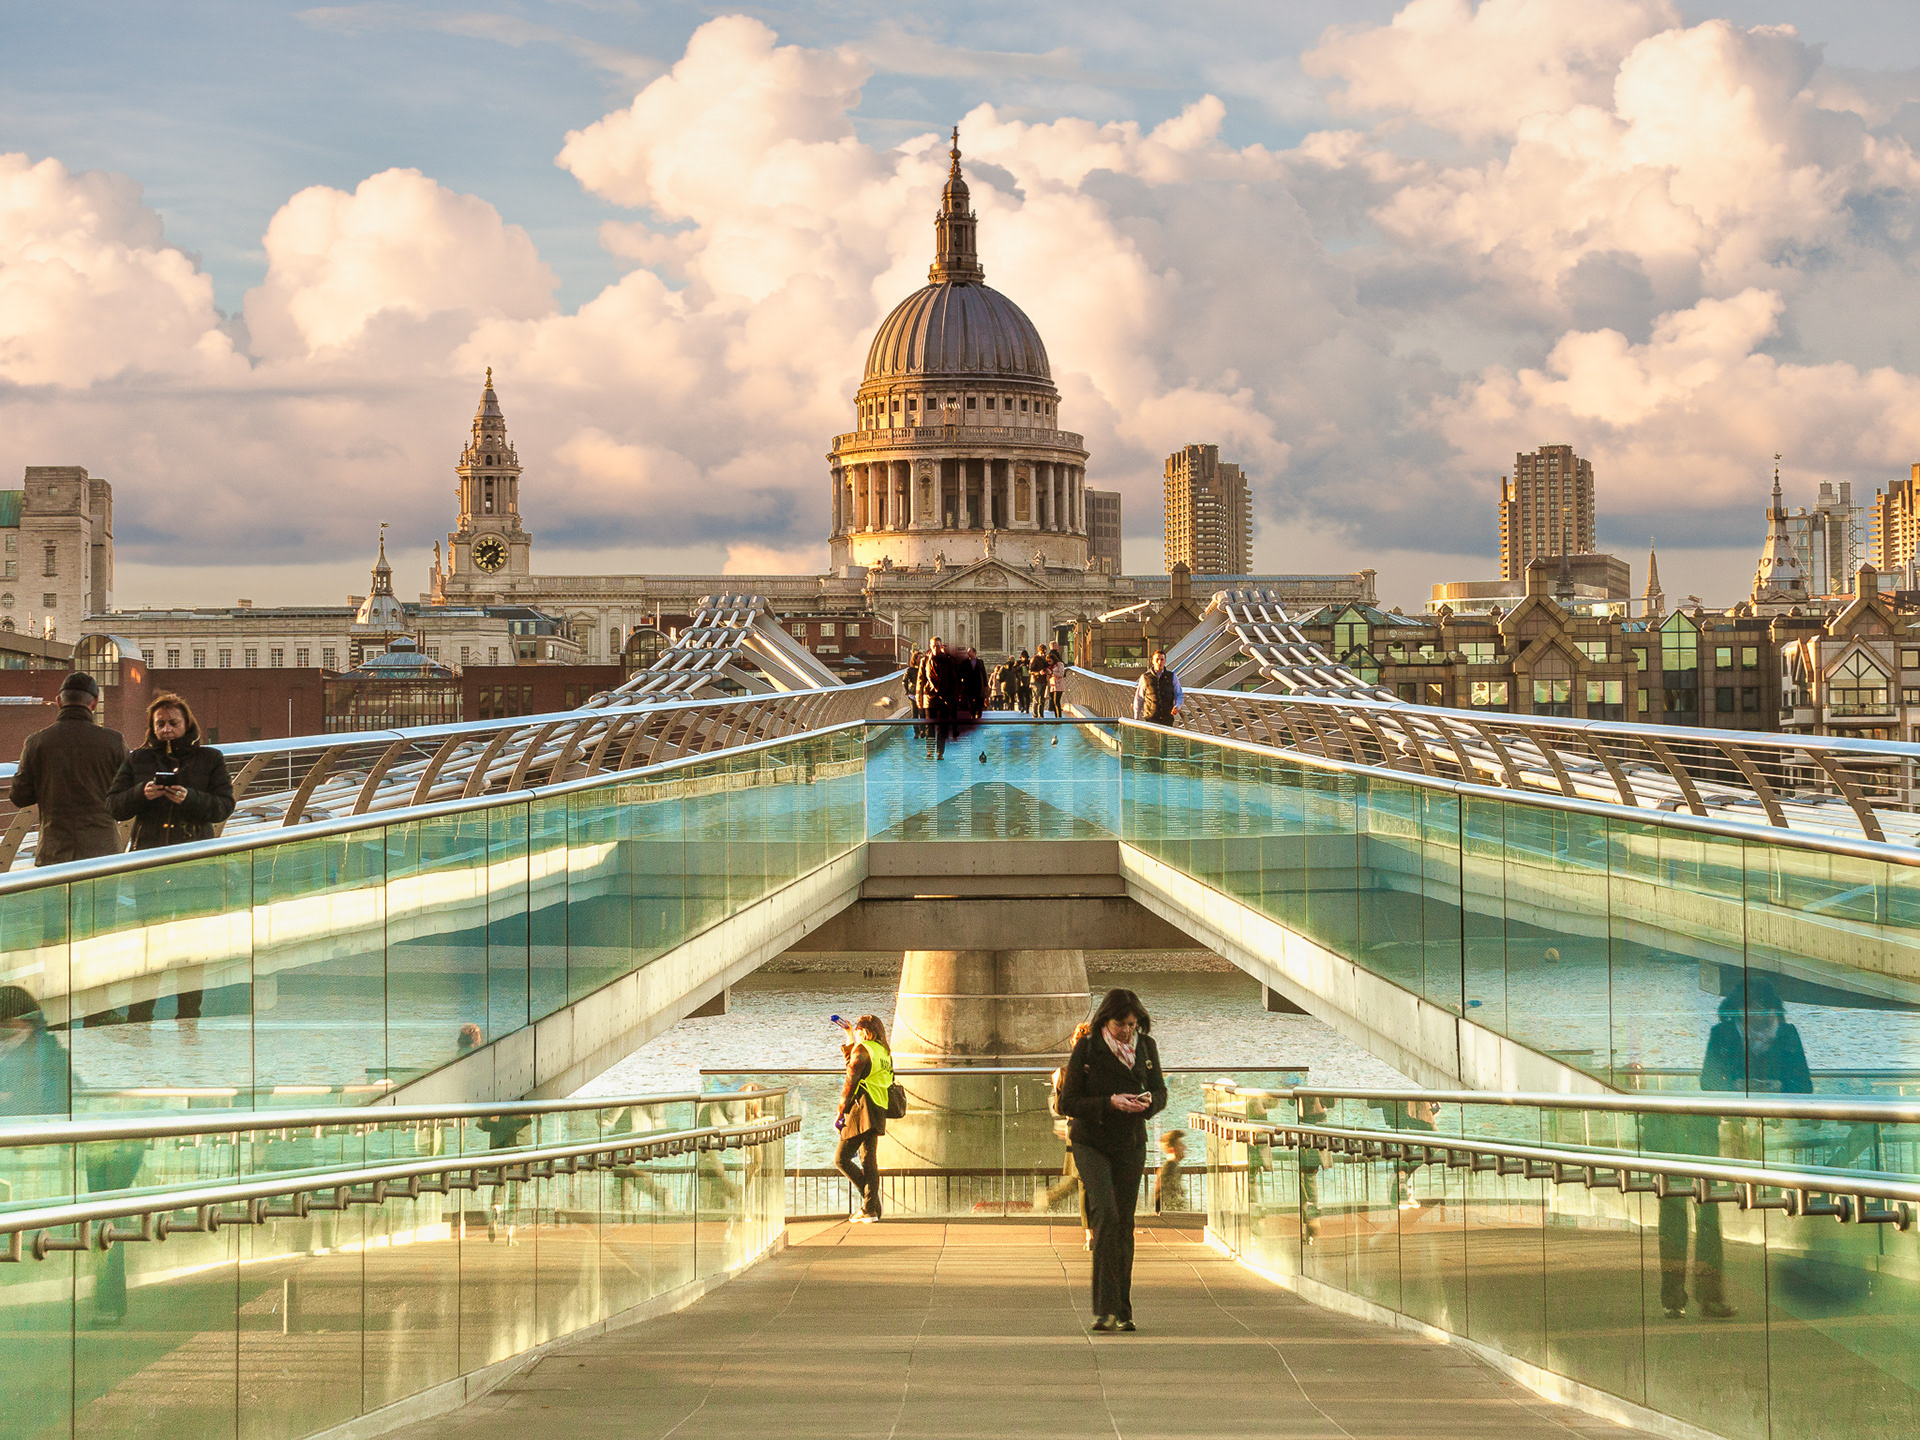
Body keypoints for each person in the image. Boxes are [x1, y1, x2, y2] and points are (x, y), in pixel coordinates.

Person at [1652, 977, 1810, 1320]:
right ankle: (1679, 1297)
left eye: (1762, 1011)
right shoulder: (1723, 1034)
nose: (1756, 1017)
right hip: (1704, 1132)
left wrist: (1766, 1087)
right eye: (1749, 1011)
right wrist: (1753, 1088)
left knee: (1704, 1214)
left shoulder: (1787, 1034)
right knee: (1693, 1211)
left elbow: (1804, 1086)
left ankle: (1705, 1298)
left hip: (1753, 1133)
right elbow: (1709, 1082)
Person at [1058, 987, 1167, 1332]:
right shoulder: (1087, 1047)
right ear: (1107, 1019)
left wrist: (1148, 1103)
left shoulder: (1146, 1048)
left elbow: (1161, 1090)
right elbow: (1068, 1103)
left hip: (1130, 1141)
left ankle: (1123, 1308)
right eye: (1122, 1024)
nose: (1127, 1031)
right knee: (1105, 1212)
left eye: (1133, 1025)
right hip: (1091, 1141)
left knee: (1124, 1223)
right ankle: (1104, 1309)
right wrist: (1110, 1103)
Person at [9, 672, 128, 865]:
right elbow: (129, 787)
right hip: (103, 852)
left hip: (55, 851)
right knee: (102, 896)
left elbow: (19, 797)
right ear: (95, 703)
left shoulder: (37, 742)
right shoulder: (113, 741)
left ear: (59, 701)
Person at [108, 692, 235, 850]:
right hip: (148, 851)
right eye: (160, 724)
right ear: (153, 728)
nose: (166, 729)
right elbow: (113, 805)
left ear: (187, 724)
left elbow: (225, 806)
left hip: (194, 850)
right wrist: (141, 794)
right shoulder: (138, 759)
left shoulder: (210, 758)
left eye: (173, 723)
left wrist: (189, 798)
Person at [834, 1014, 895, 1222]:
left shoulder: (864, 1049)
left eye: (859, 1030)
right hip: (879, 1107)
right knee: (869, 1160)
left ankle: (872, 1204)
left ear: (866, 1031)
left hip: (861, 1109)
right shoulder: (884, 1052)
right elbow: (856, 1065)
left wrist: (840, 1111)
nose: (858, 1033)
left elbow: (850, 1081)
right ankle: (870, 1209)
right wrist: (848, 1035)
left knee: (841, 1158)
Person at [0, 985, 69, 1119]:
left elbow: (35, 1102)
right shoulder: (42, 1046)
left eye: (7, 1024)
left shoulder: (46, 1055)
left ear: (27, 1023)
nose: (2, 1030)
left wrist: (6, 1098)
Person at [1132, 650, 1184, 726]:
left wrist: (1177, 706)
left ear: (1165, 661)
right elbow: (1139, 698)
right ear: (1152, 661)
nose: (1160, 662)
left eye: (1162, 659)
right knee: (1152, 738)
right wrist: (1136, 718)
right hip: (1151, 718)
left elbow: (1179, 694)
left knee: (1164, 738)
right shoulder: (1145, 678)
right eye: (1157, 660)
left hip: (1167, 718)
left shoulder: (1172, 677)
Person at [1153, 1129, 1187, 1214]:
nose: (1184, 1147)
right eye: (1181, 1145)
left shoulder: (1172, 1167)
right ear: (1172, 1149)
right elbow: (1159, 1196)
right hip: (1170, 1216)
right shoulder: (1169, 1169)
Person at [1028, 648, 1051, 718]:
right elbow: (1030, 671)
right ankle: (1034, 715)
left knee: (1042, 700)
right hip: (1036, 681)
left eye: (1044, 653)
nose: (1043, 655)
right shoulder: (1034, 659)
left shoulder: (1044, 659)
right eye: (1042, 653)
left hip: (1043, 681)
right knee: (1036, 699)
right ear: (1038, 652)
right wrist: (1038, 673)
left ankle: (1041, 715)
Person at [1045, 647, 1066, 718]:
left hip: (1059, 685)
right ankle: (1056, 717)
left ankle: (1059, 717)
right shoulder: (1050, 667)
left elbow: (1061, 674)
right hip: (1052, 685)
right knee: (1053, 702)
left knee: (1056, 701)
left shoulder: (1060, 664)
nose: (1048, 663)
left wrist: (1052, 672)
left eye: (1050, 661)